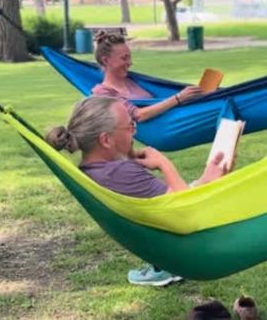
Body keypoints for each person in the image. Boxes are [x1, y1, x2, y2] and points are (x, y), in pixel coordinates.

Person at [46, 96, 232, 285]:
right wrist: (164, 164)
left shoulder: (93, 170)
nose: (134, 133)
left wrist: (205, 180)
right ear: (106, 140)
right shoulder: (121, 173)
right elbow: (186, 208)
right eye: (130, 127)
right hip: (190, 244)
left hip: (162, 235)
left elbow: (169, 197)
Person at [90, 31, 201, 121]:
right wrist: (178, 98)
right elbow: (138, 115)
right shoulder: (103, 92)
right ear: (106, 61)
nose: (130, 63)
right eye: (124, 58)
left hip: (173, 116)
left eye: (129, 57)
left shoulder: (135, 81)